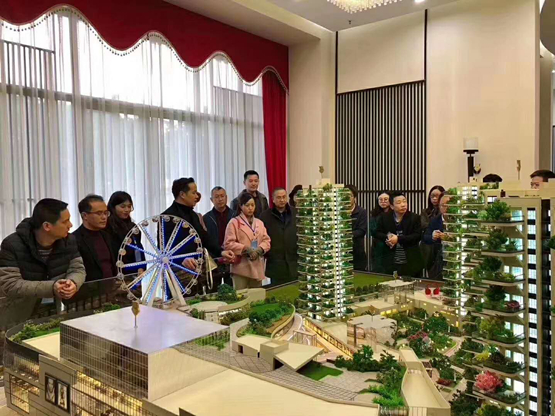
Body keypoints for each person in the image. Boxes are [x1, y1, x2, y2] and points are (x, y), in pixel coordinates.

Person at [0, 198, 86, 330]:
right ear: (47, 226)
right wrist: (52, 287)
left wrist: (72, 283)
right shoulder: (12, 244)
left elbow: (77, 269)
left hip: (58, 310)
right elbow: (10, 284)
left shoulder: (68, 240)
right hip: (20, 315)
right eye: (65, 221)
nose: (70, 225)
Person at [162, 178, 235, 268]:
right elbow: (164, 248)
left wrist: (221, 252)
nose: (197, 196)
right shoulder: (167, 217)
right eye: (194, 193)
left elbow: (203, 237)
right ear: (182, 194)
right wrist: (181, 259)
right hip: (177, 271)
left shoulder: (193, 215)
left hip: (197, 268)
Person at [224, 193, 271, 289]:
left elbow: (266, 240)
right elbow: (228, 243)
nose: (250, 208)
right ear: (241, 206)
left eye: (252, 205)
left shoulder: (259, 223)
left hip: (257, 265)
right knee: (241, 295)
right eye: (247, 205)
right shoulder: (234, 222)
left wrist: (260, 249)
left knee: (257, 295)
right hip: (241, 267)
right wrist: (245, 249)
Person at [375, 191, 423, 277]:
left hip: (410, 260)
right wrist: (388, 238)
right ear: (392, 206)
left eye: (404, 201)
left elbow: (417, 236)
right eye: (399, 202)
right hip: (390, 260)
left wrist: (398, 239)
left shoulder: (414, 218)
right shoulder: (384, 217)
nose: (403, 205)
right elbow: (377, 233)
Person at [73, 195, 118, 282]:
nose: (104, 217)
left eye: (106, 213)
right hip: (89, 288)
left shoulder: (106, 235)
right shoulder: (74, 239)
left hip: (111, 287)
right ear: (85, 215)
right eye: (99, 213)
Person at [260, 188, 298, 286]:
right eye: (278, 197)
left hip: (294, 262)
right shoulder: (265, 216)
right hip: (275, 263)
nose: (282, 200)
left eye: (284, 197)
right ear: (273, 199)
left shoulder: (296, 213)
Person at [106, 191, 145, 275]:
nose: (127, 210)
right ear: (113, 207)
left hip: (134, 272)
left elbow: (138, 248)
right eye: (122, 206)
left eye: (129, 206)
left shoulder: (132, 226)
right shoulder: (107, 227)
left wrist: (141, 267)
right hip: (115, 273)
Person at [204, 186, 234, 287]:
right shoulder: (206, 218)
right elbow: (205, 240)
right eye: (216, 197)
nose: (220, 199)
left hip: (231, 257)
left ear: (226, 197)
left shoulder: (235, 215)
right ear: (211, 200)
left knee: (231, 289)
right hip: (214, 259)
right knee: (213, 289)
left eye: (222, 196)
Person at [423, 195, 451, 280]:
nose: (446, 208)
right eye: (443, 205)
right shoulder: (435, 220)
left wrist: (450, 238)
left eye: (449, 204)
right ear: (439, 206)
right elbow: (425, 237)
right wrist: (433, 236)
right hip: (438, 260)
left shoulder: (459, 220)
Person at [420, 186, 444, 277]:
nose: (434, 198)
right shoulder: (426, 212)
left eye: (437, 196)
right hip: (429, 249)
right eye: (432, 196)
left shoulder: (444, 214)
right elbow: (424, 227)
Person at [346, 185, 368, 271]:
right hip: (342, 253)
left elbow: (362, 231)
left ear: (354, 197)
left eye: (350, 196)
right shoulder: (338, 211)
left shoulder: (362, 212)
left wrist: (346, 235)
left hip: (357, 253)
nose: (347, 198)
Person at [370, 192, 390, 273]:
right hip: (378, 246)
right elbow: (372, 231)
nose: (383, 201)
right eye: (380, 200)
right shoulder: (374, 214)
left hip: (391, 246)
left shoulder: (394, 213)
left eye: (386, 199)